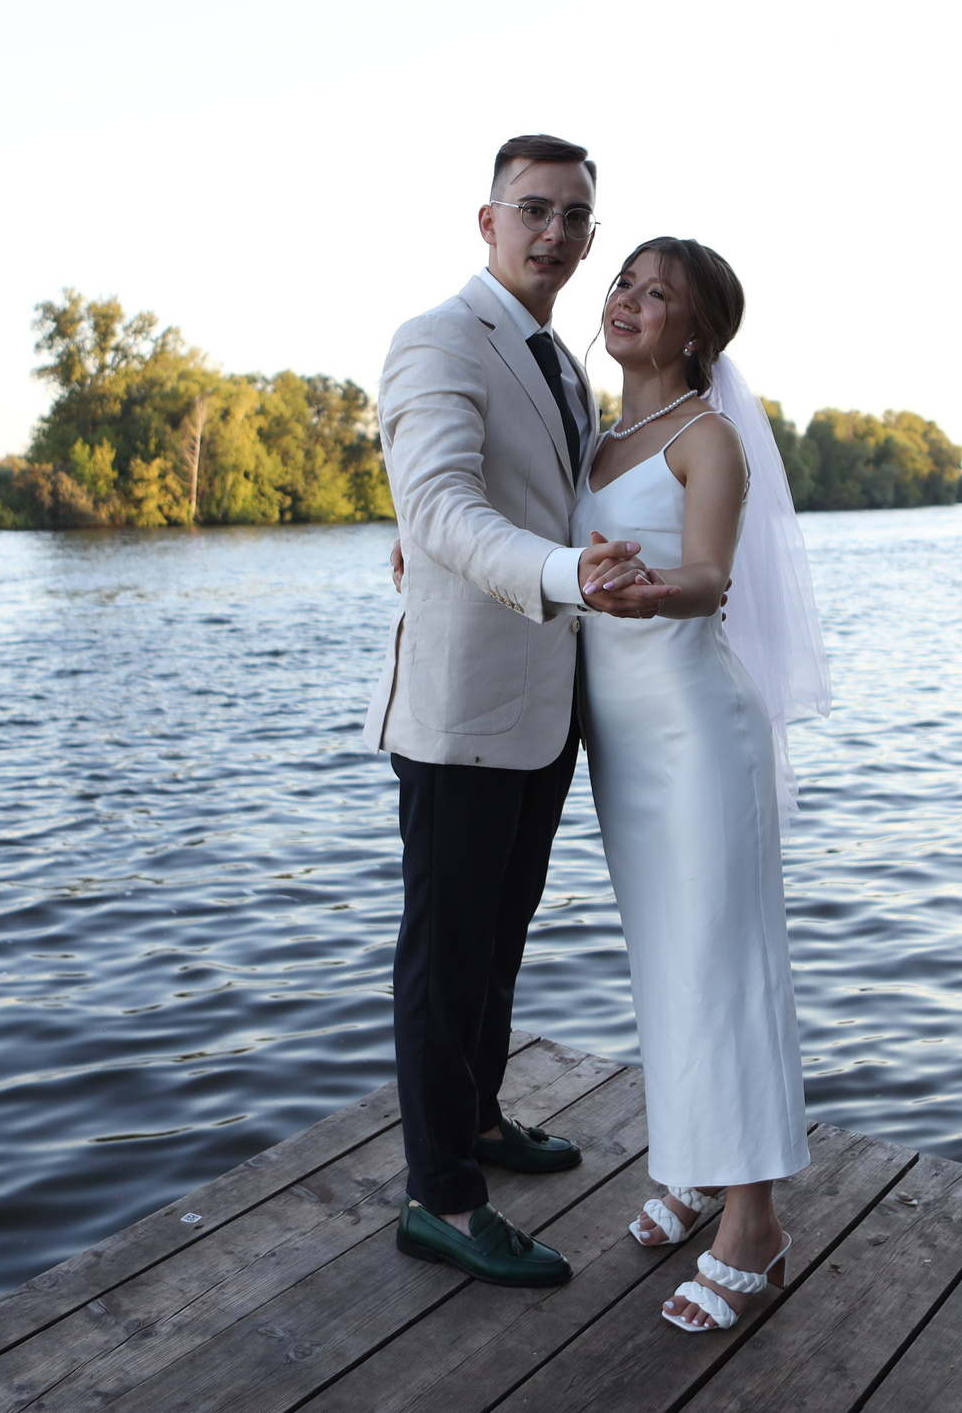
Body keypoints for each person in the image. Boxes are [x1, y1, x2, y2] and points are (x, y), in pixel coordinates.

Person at [362, 133, 675, 1288]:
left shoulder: (559, 361)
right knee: (444, 959)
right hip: (459, 711)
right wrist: (560, 576)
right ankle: (439, 1199)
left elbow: (516, 488)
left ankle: (481, 1120)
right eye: (533, 210)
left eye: (574, 218)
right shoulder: (438, 337)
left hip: (545, 708)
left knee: (499, 944)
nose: (555, 233)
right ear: (485, 221)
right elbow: (440, 505)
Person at [573, 236, 827, 1332]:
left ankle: (754, 1225)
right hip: (621, 749)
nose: (627, 299)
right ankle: (689, 1162)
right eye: (622, 281)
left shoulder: (704, 437)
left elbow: (711, 576)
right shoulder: (593, 439)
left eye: (655, 293)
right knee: (663, 961)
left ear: (695, 334)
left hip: (695, 734)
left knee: (725, 967)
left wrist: (651, 593)